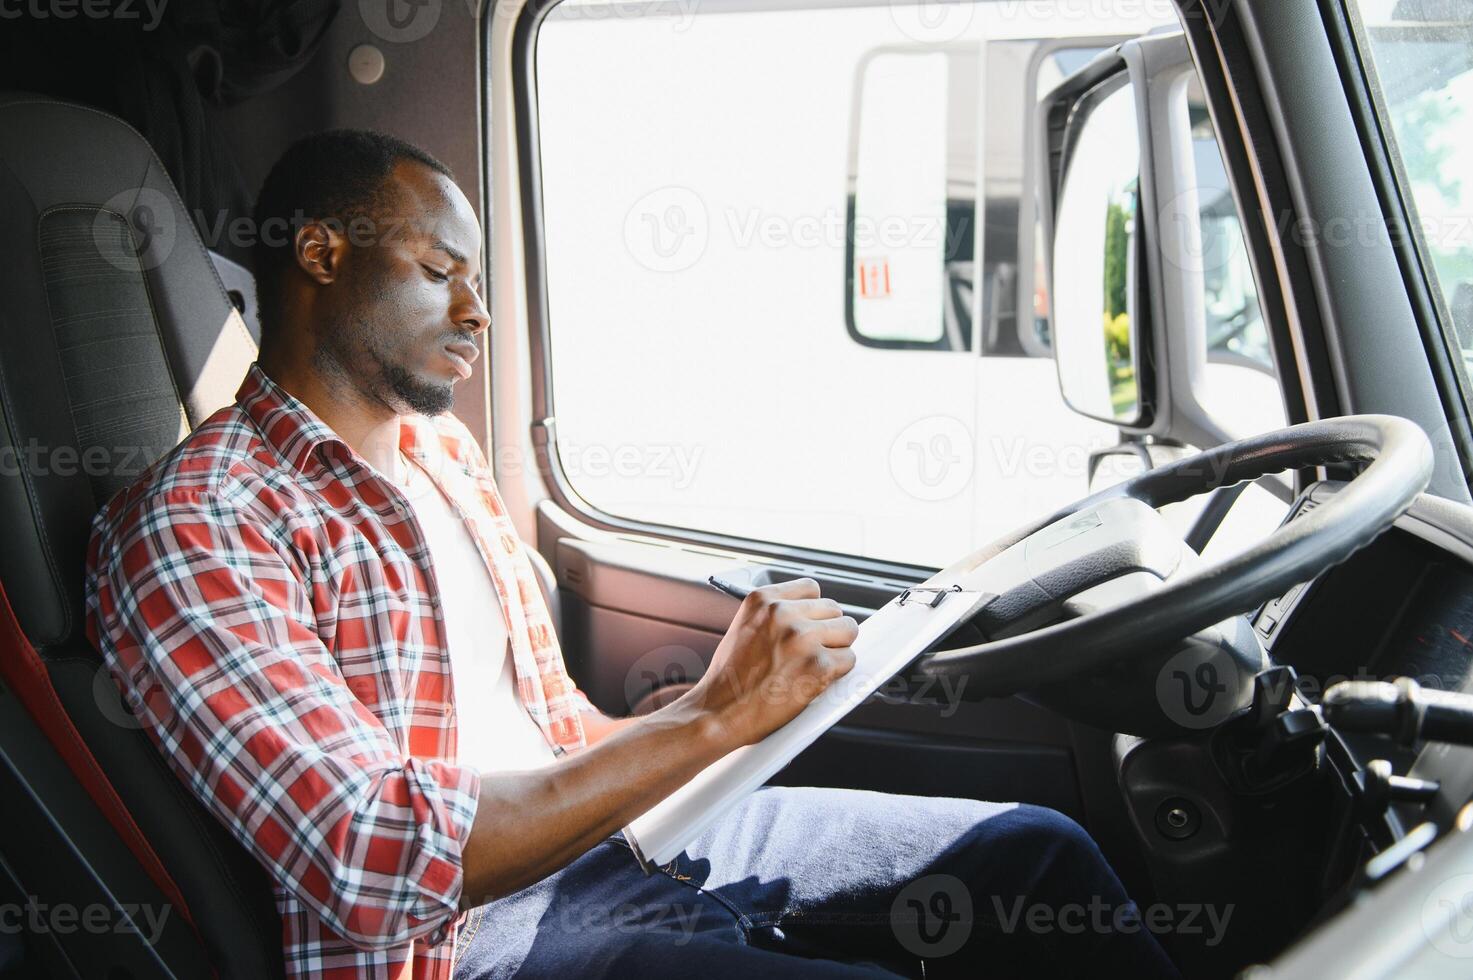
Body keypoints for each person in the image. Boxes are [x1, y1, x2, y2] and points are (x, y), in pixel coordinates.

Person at [85, 129, 1180, 980]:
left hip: (616, 838)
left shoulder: (441, 452)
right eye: (439, 269)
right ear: (322, 253)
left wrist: (724, 706)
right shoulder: (199, 522)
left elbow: (555, 731)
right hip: (469, 942)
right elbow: (377, 859)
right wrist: (711, 717)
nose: (479, 312)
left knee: (1035, 852)